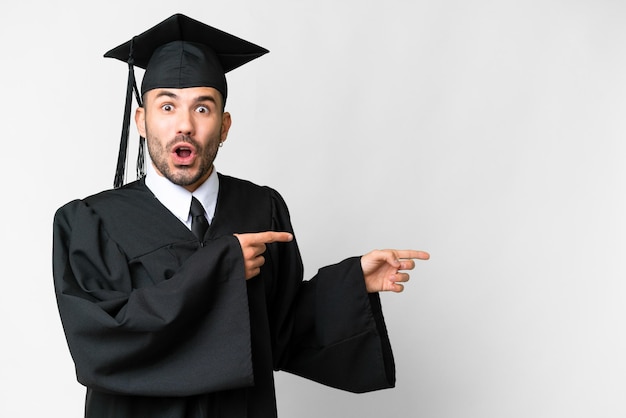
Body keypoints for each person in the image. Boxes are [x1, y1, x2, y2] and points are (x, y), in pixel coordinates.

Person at [52, 13, 430, 418]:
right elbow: (101, 342)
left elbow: (280, 330)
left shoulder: (261, 208)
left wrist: (352, 284)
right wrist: (220, 266)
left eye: (203, 108)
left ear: (224, 125)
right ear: (142, 121)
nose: (184, 125)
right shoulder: (92, 221)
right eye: (166, 106)